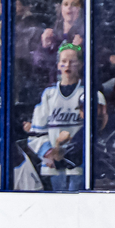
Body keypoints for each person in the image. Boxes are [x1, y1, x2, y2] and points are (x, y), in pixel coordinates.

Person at [29, 44, 84, 191]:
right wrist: (49, 154)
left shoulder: (87, 93)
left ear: (81, 64)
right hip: (52, 167)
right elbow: (35, 134)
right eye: (64, 61)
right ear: (58, 65)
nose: (68, 65)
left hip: (79, 166)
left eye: (72, 61)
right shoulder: (48, 94)